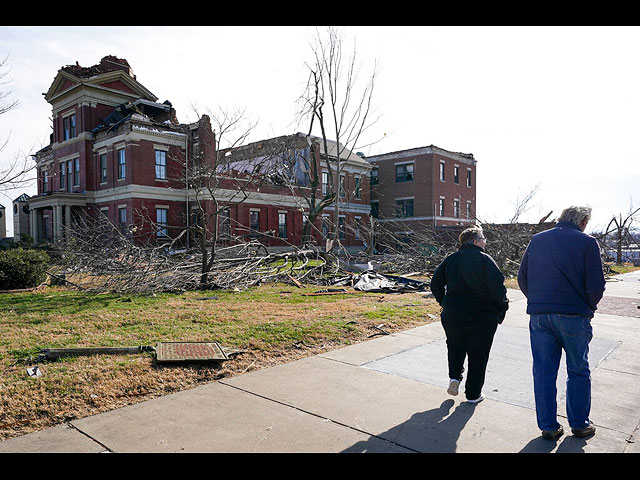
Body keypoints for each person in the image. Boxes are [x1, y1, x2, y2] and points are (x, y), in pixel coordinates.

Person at [518, 206, 605, 441]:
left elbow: (522, 277)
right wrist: (588, 306)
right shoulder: (587, 242)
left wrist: (537, 301)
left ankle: (548, 426)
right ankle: (579, 423)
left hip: (540, 315)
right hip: (574, 315)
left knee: (544, 371)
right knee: (578, 369)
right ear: (583, 221)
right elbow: (596, 284)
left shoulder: (537, 240)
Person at [430, 226, 509, 404]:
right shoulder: (485, 260)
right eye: (483, 238)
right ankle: (473, 394)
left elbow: (435, 284)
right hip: (483, 316)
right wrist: (502, 308)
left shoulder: (450, 259)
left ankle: (454, 379)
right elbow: (498, 289)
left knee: (455, 346)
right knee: (478, 354)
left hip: (453, 314)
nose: (485, 241)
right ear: (475, 241)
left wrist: (444, 302)